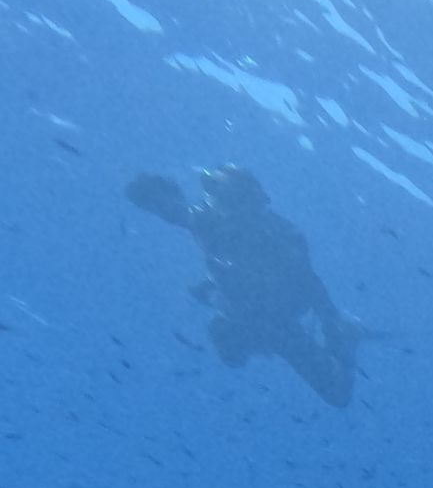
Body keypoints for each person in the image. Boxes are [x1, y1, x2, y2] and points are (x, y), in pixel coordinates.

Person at [125, 165, 367, 407]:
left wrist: (331, 322)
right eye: (210, 189)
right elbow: (177, 213)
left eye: (221, 193)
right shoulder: (206, 219)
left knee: (337, 394)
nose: (212, 200)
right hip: (244, 306)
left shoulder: (274, 236)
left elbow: (310, 282)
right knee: (228, 347)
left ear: (241, 200)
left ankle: (346, 343)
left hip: (277, 317)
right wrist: (157, 197)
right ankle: (246, 323)